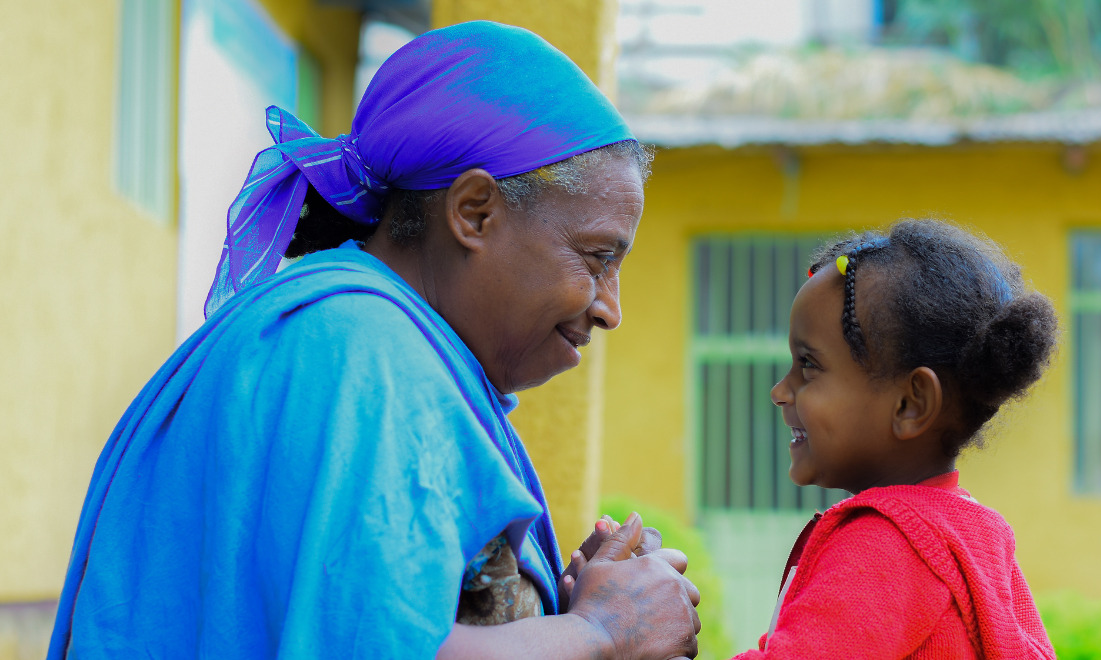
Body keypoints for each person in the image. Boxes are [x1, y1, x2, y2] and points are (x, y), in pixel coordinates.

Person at [48, 21, 700, 660]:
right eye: (594, 258)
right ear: (475, 212)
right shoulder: (367, 356)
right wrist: (603, 632)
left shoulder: (334, 335)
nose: (611, 308)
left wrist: (561, 603)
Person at [736, 220, 1058, 659]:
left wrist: (644, 638)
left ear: (911, 403)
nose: (780, 391)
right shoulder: (977, 533)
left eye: (808, 365)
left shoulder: (884, 545)